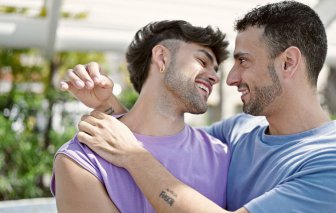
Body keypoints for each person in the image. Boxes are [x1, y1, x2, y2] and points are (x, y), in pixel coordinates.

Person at [65, 1, 336, 213]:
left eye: (243, 61)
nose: (229, 78)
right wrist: (109, 107)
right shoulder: (239, 133)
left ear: (288, 63)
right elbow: (163, 137)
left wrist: (132, 156)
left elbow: (142, 149)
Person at [51, 20, 231, 212]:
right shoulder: (82, 159)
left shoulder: (222, 155)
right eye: (203, 61)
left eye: (215, 69)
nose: (215, 77)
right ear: (162, 58)